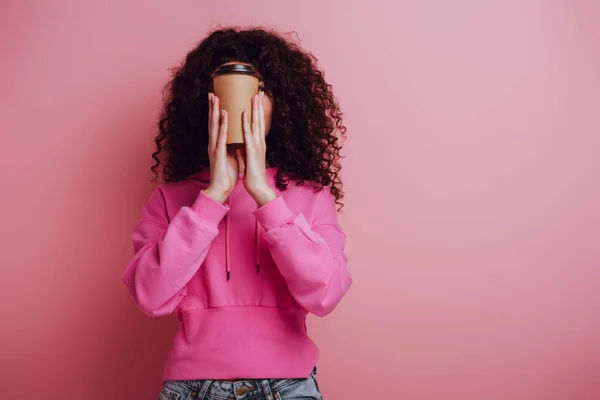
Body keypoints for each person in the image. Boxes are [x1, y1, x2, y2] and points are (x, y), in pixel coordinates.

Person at [122, 27, 352, 400]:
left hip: (288, 386)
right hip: (192, 388)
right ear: (207, 102)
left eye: (257, 91)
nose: (243, 105)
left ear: (278, 103)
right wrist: (213, 196)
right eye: (227, 88)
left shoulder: (310, 196)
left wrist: (264, 195)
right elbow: (150, 295)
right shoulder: (171, 198)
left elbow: (326, 295)